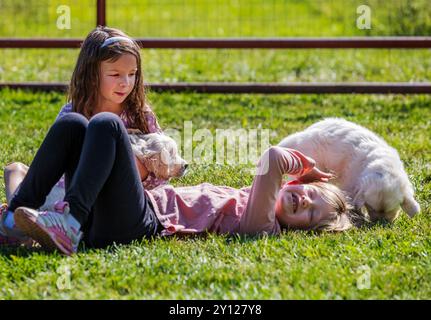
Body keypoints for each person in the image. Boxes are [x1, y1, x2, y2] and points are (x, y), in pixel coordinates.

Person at [0, 25, 166, 251]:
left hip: (126, 219)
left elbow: (161, 177)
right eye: (115, 74)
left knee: (106, 123)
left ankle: (70, 222)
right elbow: (56, 170)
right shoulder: (72, 110)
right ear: (91, 74)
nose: (125, 82)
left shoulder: (140, 115)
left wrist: (140, 165)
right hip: (90, 226)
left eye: (132, 74)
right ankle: (13, 222)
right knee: (73, 123)